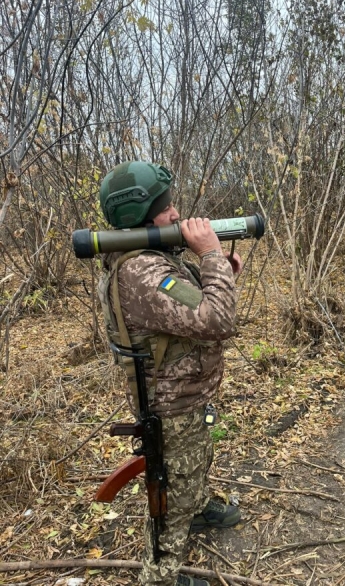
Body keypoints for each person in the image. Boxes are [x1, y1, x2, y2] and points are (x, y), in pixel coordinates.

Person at [97, 161, 243, 586]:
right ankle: (159, 576)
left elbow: (194, 307)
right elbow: (216, 321)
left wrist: (222, 275)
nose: (176, 213)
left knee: (195, 462)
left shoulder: (154, 257)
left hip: (186, 393)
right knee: (171, 493)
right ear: (139, 216)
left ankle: (198, 509)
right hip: (170, 403)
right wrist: (211, 254)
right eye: (165, 208)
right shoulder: (141, 270)